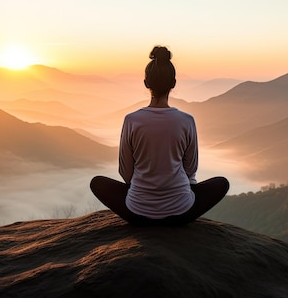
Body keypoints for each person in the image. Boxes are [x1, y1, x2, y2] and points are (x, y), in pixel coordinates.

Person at [90, 46, 229, 226]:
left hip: (138, 213)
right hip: (180, 213)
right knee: (221, 184)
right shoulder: (187, 121)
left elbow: (125, 173)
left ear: (146, 83)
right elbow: (190, 170)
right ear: (174, 83)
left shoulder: (132, 120)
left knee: (97, 183)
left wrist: (145, 192)